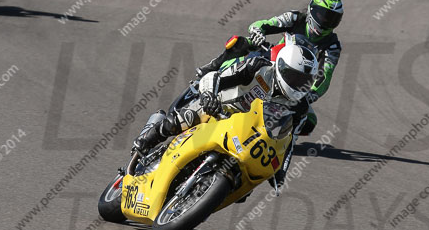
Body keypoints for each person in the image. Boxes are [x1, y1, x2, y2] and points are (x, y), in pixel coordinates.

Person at [133, 40, 318, 185]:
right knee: (182, 120)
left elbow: (290, 142)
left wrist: (281, 172)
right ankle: (148, 138)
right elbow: (216, 77)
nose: (297, 84)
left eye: (304, 81)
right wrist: (208, 97)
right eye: (294, 77)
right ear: (281, 67)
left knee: (245, 185)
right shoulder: (258, 67)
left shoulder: (299, 106)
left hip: (247, 134)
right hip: (219, 108)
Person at [206, 0, 344, 135]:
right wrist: (257, 33)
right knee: (241, 43)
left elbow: (324, 77)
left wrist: (309, 94)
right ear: (311, 10)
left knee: (309, 122)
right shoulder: (295, 18)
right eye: (322, 15)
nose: (325, 22)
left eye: (332, 19)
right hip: (270, 60)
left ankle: (275, 141)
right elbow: (263, 24)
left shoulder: (332, 46)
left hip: (294, 82)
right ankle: (210, 71)